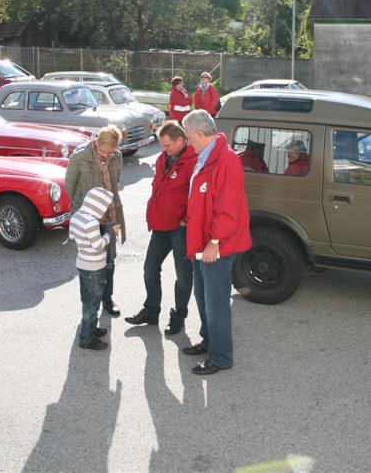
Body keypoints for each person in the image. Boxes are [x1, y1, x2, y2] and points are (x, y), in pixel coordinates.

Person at [180, 110, 252, 375]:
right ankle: (208, 340)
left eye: (189, 137)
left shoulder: (226, 160)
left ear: (200, 133)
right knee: (202, 296)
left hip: (215, 246)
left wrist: (214, 242)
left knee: (216, 303)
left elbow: (228, 208)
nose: (188, 142)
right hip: (201, 243)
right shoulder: (207, 156)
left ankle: (221, 357)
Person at [124, 120, 197, 335]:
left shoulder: (193, 161)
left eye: (167, 145)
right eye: (162, 145)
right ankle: (151, 310)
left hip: (180, 227)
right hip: (160, 224)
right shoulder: (163, 158)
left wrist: (186, 218)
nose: (164, 149)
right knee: (150, 268)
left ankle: (178, 316)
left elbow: (197, 196)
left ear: (182, 140)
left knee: (183, 275)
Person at [65, 125, 126, 317]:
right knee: (91, 264)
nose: (107, 155)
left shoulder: (117, 156)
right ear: (96, 142)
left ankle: (107, 299)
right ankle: (91, 306)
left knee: (109, 262)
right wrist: (83, 210)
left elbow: (116, 184)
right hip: (88, 218)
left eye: (111, 151)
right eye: (103, 151)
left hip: (110, 216)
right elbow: (70, 186)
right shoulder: (79, 157)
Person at [70, 186, 119, 350]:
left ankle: (90, 329)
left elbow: (71, 237)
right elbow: (98, 245)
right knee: (93, 303)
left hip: (82, 263)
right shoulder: (91, 222)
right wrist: (110, 234)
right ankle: (87, 339)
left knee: (87, 299)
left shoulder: (77, 216)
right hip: (94, 267)